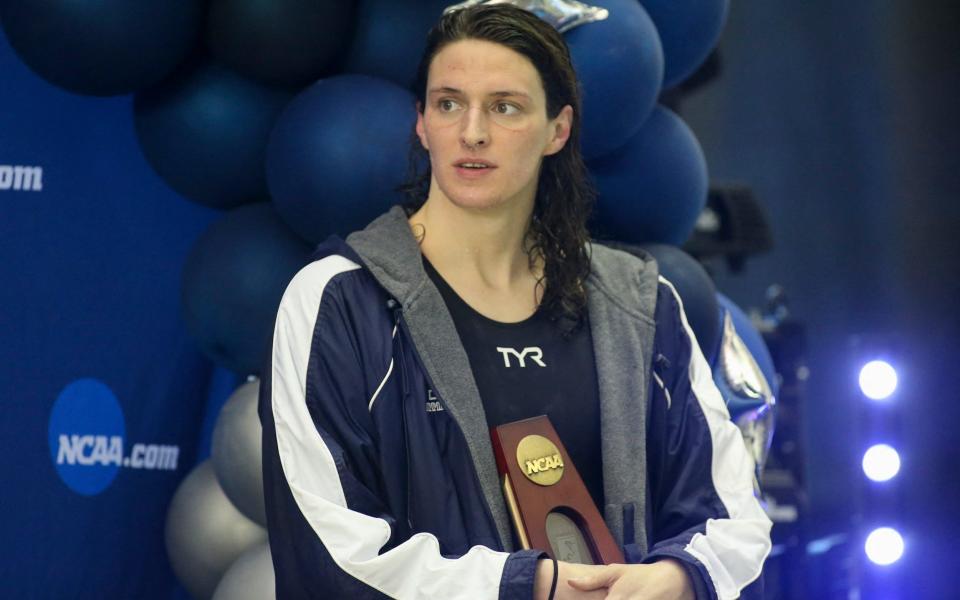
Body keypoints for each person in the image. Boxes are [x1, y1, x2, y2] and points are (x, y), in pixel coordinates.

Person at [260, 5, 771, 599]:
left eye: (505, 107)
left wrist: (678, 578)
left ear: (558, 130)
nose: (472, 131)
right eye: (449, 103)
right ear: (421, 123)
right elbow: (330, 552)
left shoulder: (641, 305)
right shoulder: (337, 300)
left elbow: (731, 518)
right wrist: (527, 585)